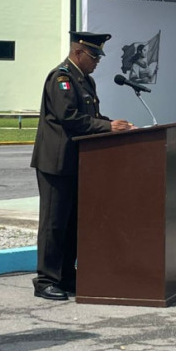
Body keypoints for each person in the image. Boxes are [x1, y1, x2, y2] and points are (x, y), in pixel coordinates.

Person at [31, 31, 135, 301]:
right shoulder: (62, 78)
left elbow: (92, 116)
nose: (97, 61)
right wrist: (106, 127)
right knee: (54, 223)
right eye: (93, 56)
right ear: (78, 52)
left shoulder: (84, 80)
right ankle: (45, 279)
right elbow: (69, 117)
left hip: (78, 161)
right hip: (56, 162)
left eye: (99, 56)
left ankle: (66, 275)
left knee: (72, 223)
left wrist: (116, 126)